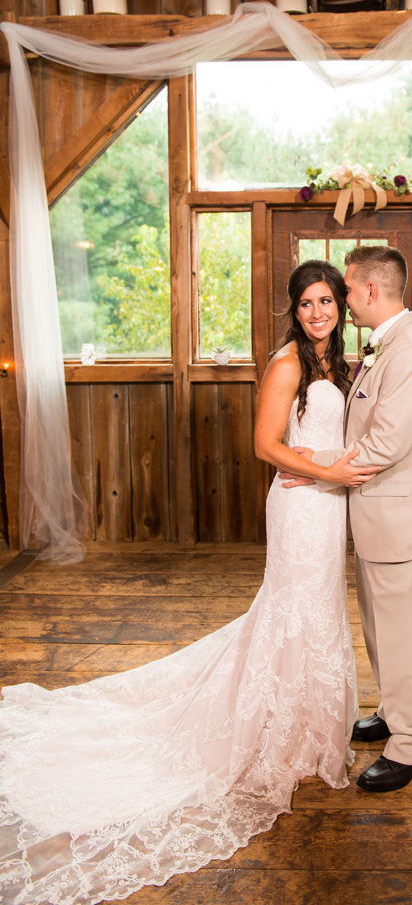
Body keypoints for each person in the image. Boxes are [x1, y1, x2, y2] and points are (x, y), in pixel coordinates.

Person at [0, 260, 379, 905]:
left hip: (329, 506)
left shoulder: (341, 364)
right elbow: (264, 444)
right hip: (302, 507)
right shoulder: (288, 363)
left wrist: (332, 473)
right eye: (307, 303)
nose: (317, 313)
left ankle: (314, 729)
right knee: (293, 610)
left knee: (318, 612)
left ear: (341, 306)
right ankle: (275, 734)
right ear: (293, 309)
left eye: (327, 302)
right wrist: (324, 471)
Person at [280, 245, 412, 793]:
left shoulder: (410, 353)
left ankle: (411, 746)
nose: (344, 301)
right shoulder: (386, 346)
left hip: (403, 522)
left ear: (371, 292)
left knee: (406, 636)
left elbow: (384, 443)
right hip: (380, 519)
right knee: (384, 632)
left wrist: (312, 466)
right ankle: (394, 712)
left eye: (348, 292)